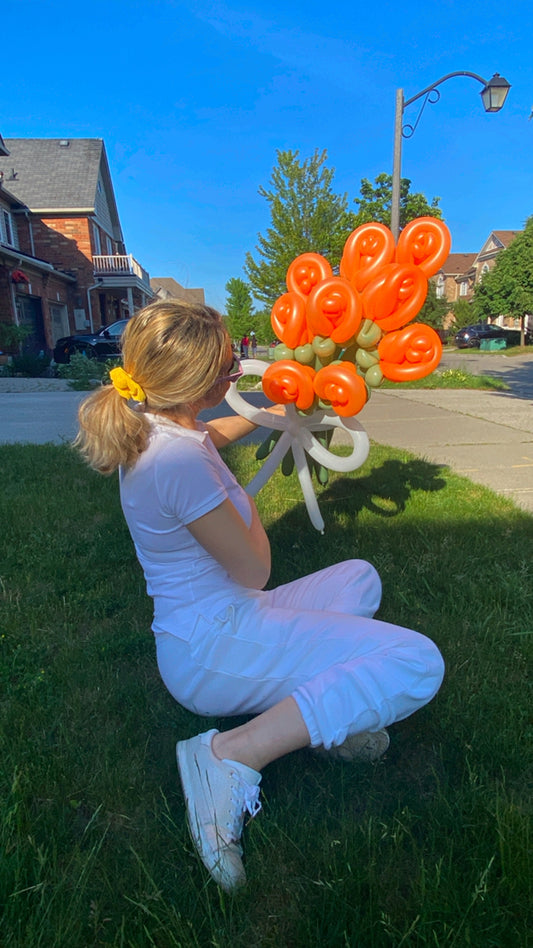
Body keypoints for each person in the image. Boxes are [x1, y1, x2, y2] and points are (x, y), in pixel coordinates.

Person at [75, 300, 444, 893]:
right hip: (210, 647)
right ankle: (228, 757)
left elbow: (212, 432)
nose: (237, 371)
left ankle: (328, 720)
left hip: (219, 622)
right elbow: (254, 570)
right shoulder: (177, 460)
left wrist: (278, 411)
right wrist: (244, 501)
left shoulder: (162, 427)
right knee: (417, 663)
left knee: (358, 577)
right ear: (194, 384)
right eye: (227, 366)